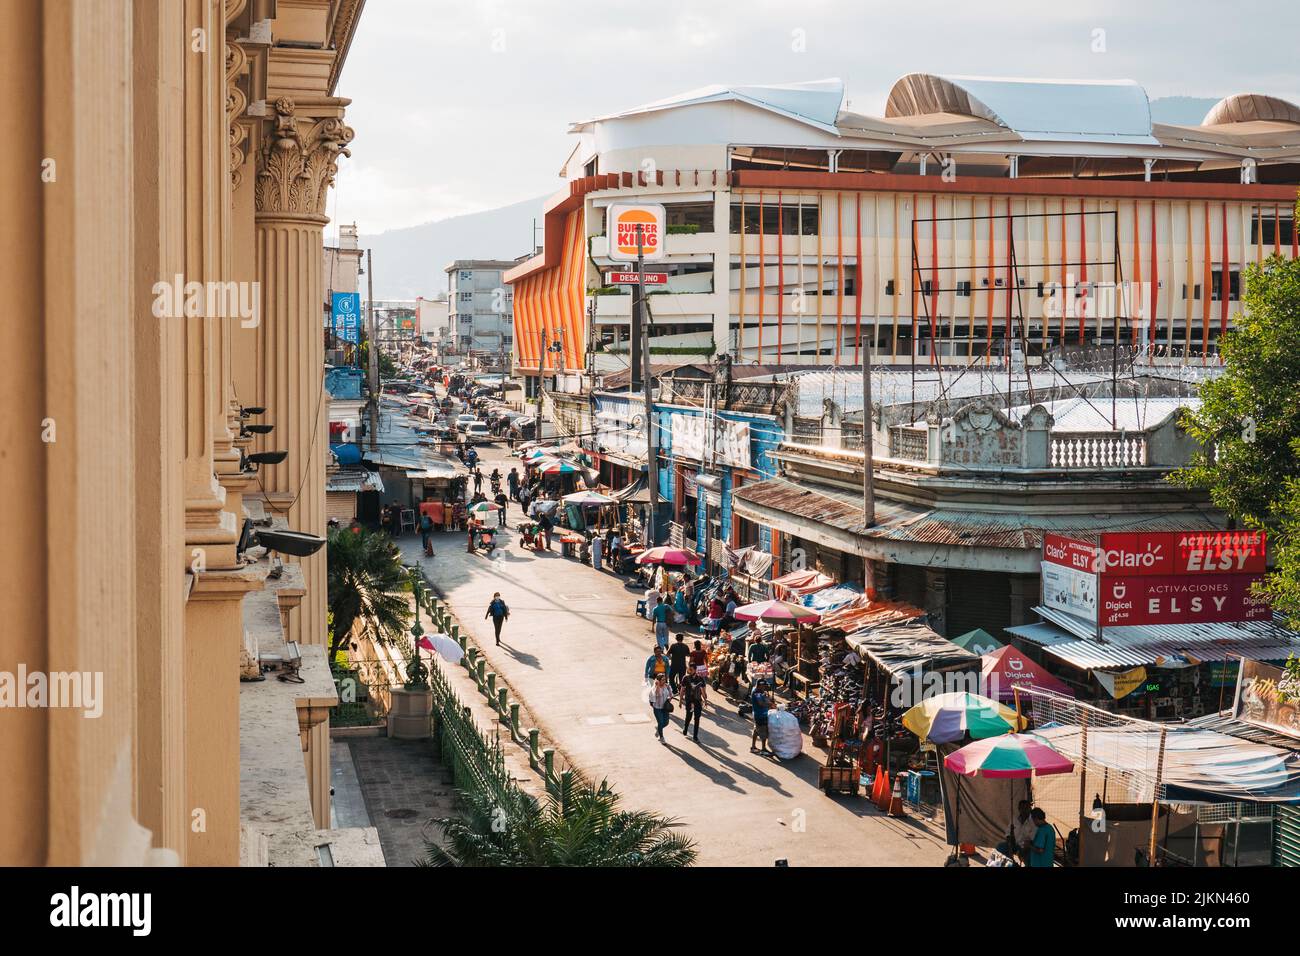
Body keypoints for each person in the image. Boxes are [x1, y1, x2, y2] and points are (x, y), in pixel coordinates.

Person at [997, 801, 1037, 865]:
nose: (1024, 810)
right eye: (1022, 808)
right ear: (1019, 809)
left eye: (1026, 808)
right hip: (1014, 845)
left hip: (1026, 847)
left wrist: (1023, 851)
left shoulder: (1033, 822)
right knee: (1000, 847)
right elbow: (1008, 833)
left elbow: (1033, 840)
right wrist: (1010, 844)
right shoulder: (1014, 819)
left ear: (1030, 809)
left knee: (1030, 857)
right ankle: (1012, 865)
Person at [681, 671, 707, 742]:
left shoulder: (701, 679)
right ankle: (685, 728)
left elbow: (703, 690)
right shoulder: (686, 678)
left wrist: (705, 700)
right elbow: (682, 690)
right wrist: (680, 700)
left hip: (698, 702)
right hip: (689, 702)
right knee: (688, 717)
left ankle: (695, 736)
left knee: (697, 719)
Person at [750, 680, 773, 754]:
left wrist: (766, 697)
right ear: (760, 686)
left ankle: (753, 747)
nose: (765, 687)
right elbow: (761, 704)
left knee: (756, 730)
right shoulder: (757, 693)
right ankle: (763, 749)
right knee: (764, 732)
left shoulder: (756, 689)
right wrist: (770, 704)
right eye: (764, 686)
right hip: (760, 715)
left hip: (757, 714)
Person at [648, 673, 672, 742]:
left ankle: (658, 729)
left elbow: (671, 695)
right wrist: (658, 685)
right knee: (661, 722)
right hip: (657, 708)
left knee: (666, 722)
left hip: (665, 708)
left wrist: (669, 699)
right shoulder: (654, 688)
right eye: (662, 680)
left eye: (665, 679)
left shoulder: (667, 686)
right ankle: (661, 737)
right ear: (658, 681)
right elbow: (658, 694)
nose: (664, 681)